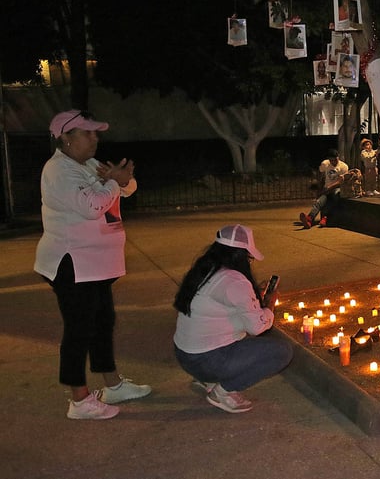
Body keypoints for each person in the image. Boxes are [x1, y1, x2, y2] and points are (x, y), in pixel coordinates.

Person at [35, 109, 151, 420]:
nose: (94, 138)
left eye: (95, 133)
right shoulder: (59, 171)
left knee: (102, 323)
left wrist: (121, 181)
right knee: (79, 329)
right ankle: (79, 400)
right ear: (65, 138)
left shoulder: (87, 164)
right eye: (87, 133)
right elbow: (92, 206)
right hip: (72, 262)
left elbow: (128, 187)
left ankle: (112, 384)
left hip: (96, 264)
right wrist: (114, 183)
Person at [173, 225, 292, 413]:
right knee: (282, 351)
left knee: (240, 333)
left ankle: (209, 380)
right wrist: (270, 304)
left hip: (185, 355)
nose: (249, 262)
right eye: (248, 257)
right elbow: (258, 327)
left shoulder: (206, 268)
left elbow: (225, 303)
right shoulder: (234, 280)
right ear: (239, 255)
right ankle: (223, 391)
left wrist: (252, 297)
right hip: (206, 360)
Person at [300, 149, 350, 228]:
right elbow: (321, 176)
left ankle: (325, 217)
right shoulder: (325, 164)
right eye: (331, 160)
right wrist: (320, 188)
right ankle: (310, 218)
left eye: (335, 160)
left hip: (336, 188)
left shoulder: (343, 166)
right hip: (326, 188)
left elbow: (340, 182)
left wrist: (329, 188)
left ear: (338, 157)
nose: (333, 162)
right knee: (319, 201)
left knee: (335, 196)